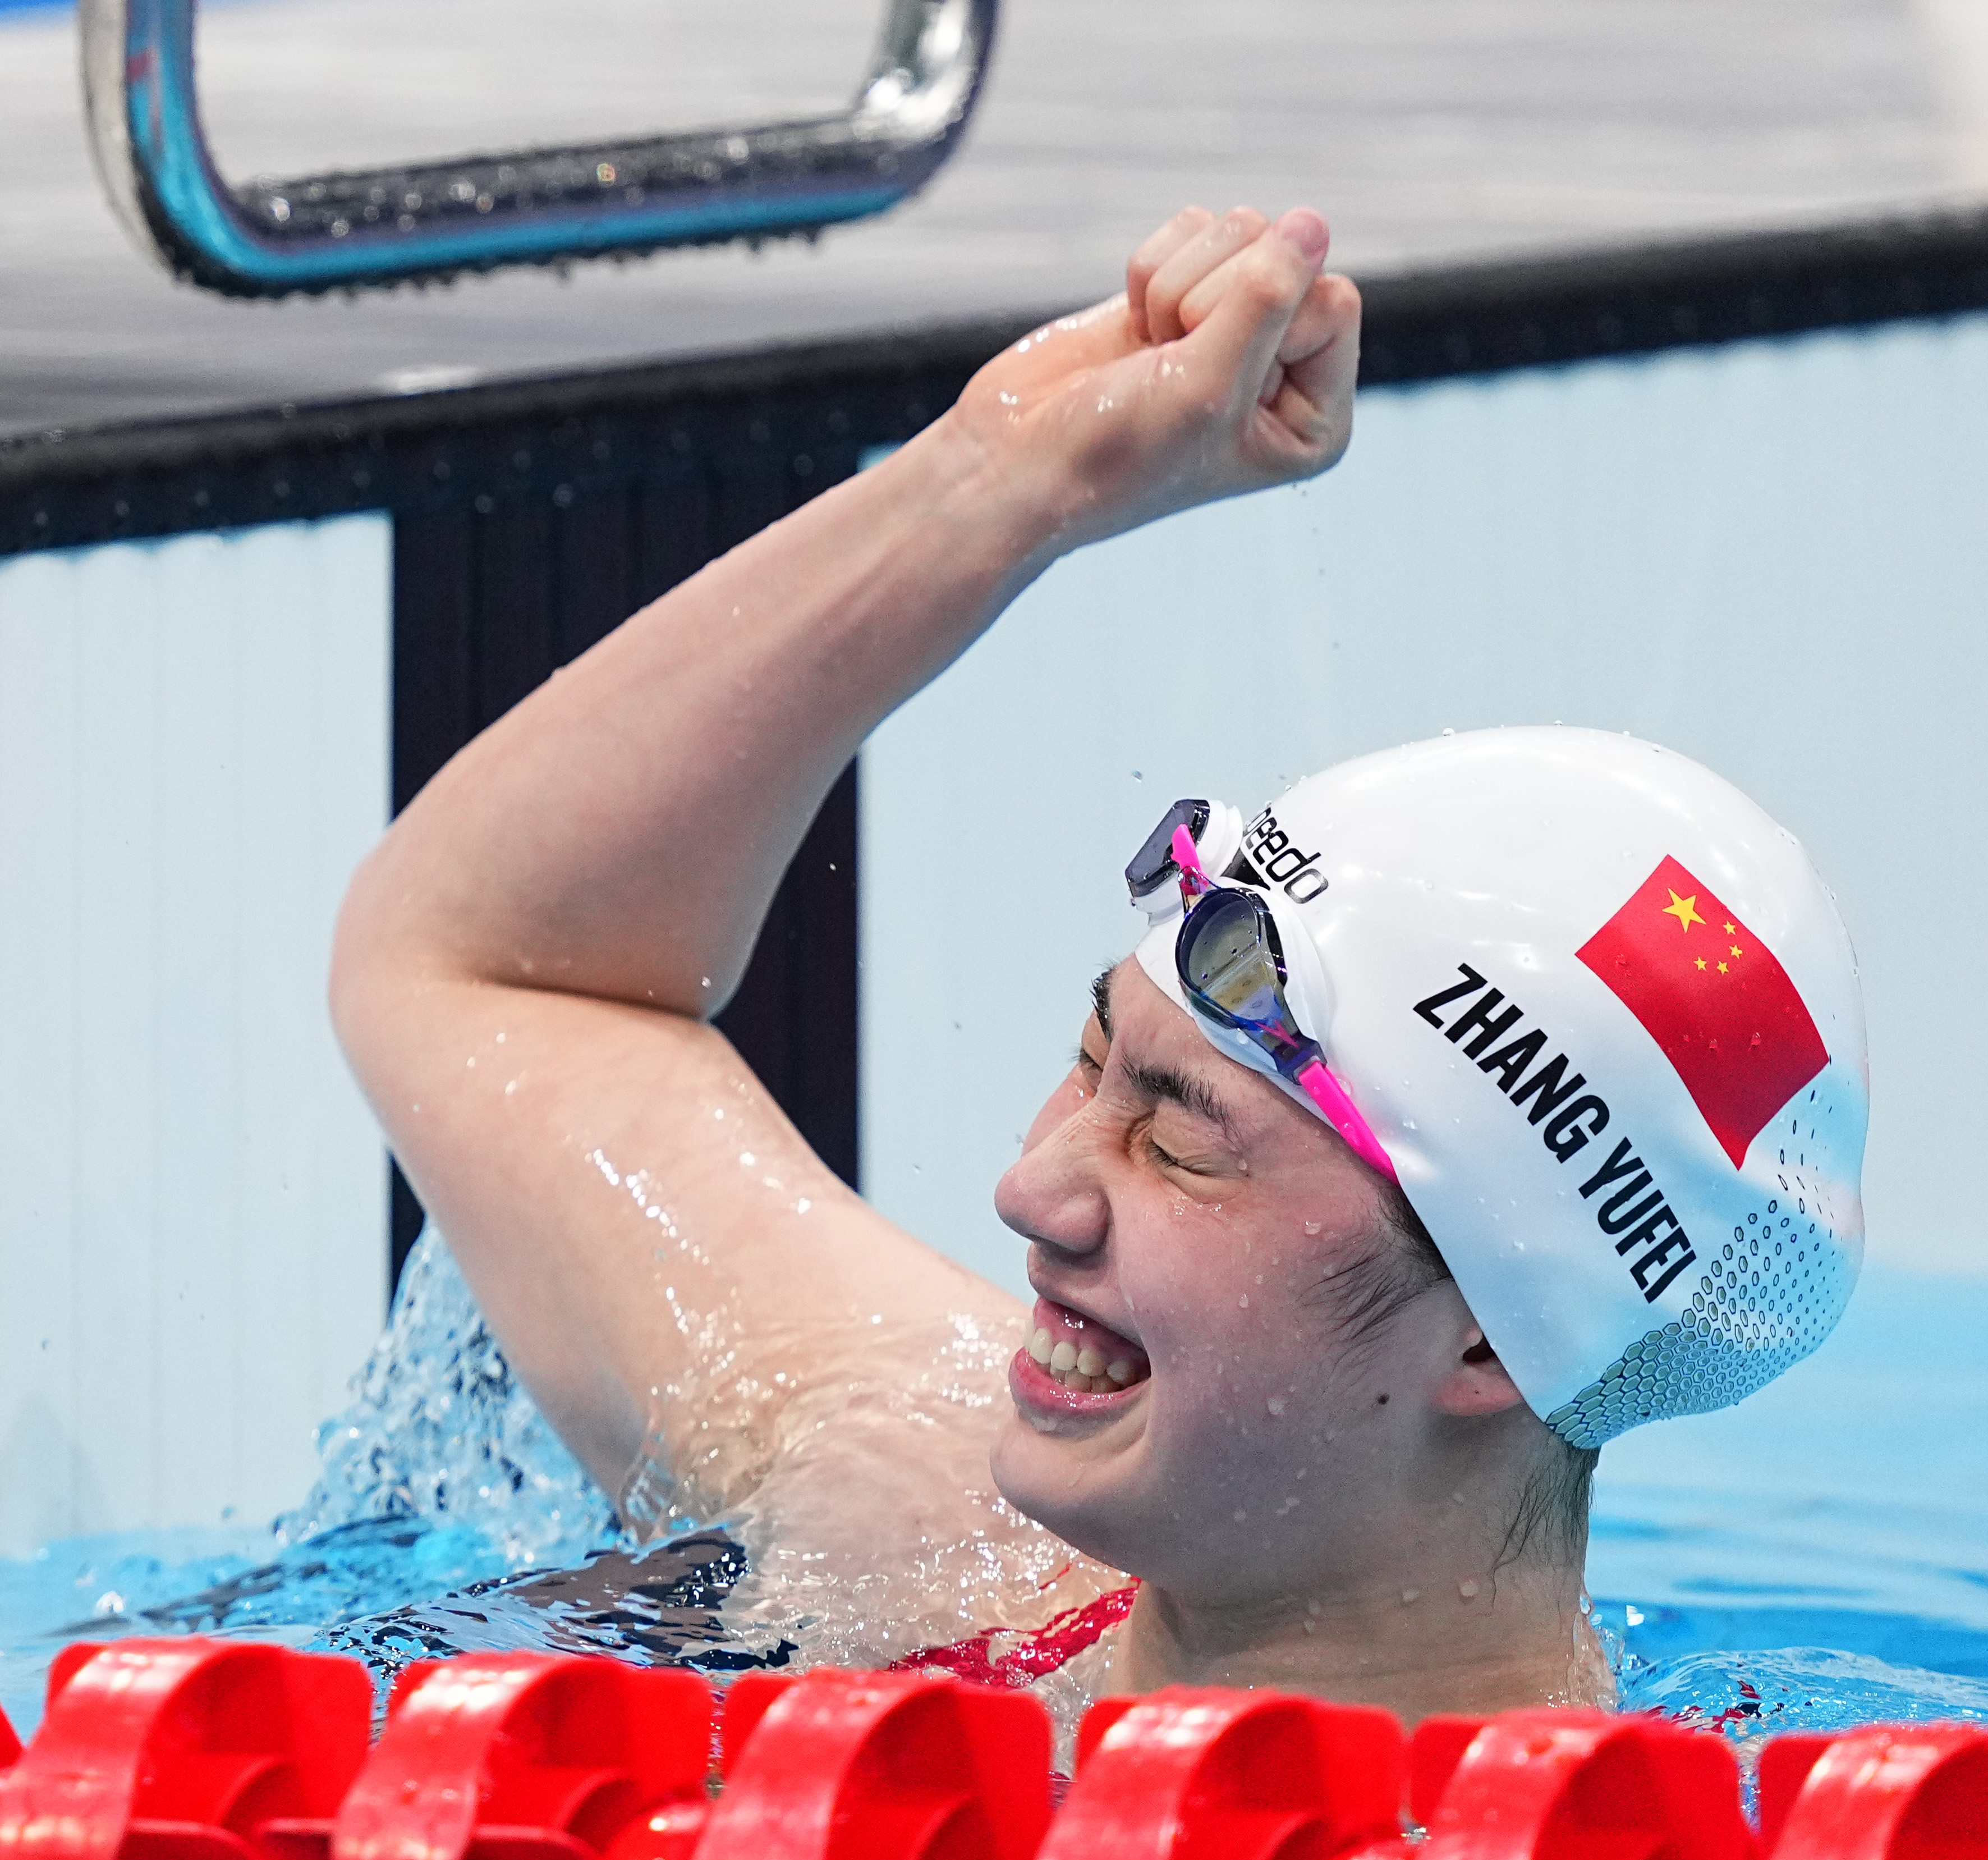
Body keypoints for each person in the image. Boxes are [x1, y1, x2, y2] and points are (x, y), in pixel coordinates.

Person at [331, 204, 1867, 1733]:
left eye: (1182, 1142)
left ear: (1487, 1329)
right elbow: (497, 976)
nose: (1033, 1190)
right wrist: (1001, 481)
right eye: (1091, 1064)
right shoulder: (928, 1532)